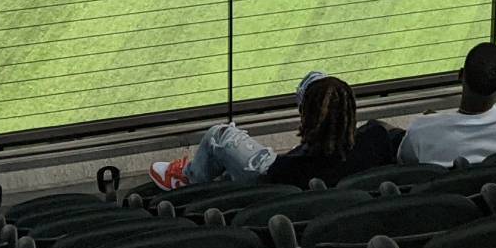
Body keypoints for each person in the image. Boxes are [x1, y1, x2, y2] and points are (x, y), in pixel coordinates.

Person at [151, 74, 405, 191]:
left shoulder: (294, 166)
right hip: (311, 170)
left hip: (269, 180)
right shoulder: (378, 137)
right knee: (317, 79)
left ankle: (187, 179)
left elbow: (276, 171)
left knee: (221, 135)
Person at [398, 43, 496, 166]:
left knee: (381, 130)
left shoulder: (422, 131)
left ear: (460, 75)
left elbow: (406, 163)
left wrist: (437, 120)